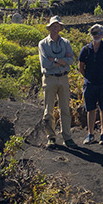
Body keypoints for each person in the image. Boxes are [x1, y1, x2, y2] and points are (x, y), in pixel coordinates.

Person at [39, 15, 76, 148]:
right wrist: (62, 60)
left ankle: (67, 137)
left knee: (65, 108)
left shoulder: (66, 43)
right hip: (49, 78)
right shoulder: (42, 44)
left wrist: (54, 60)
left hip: (64, 78)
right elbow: (45, 64)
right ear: (49, 28)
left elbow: (71, 61)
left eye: (57, 26)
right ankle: (51, 137)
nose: (55, 29)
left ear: (60, 28)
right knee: (48, 109)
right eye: (53, 26)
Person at [78, 24, 103, 144]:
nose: (97, 35)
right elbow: (81, 67)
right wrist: (88, 77)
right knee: (91, 109)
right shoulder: (85, 49)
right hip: (90, 84)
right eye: (94, 33)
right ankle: (90, 134)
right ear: (91, 35)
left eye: (99, 33)